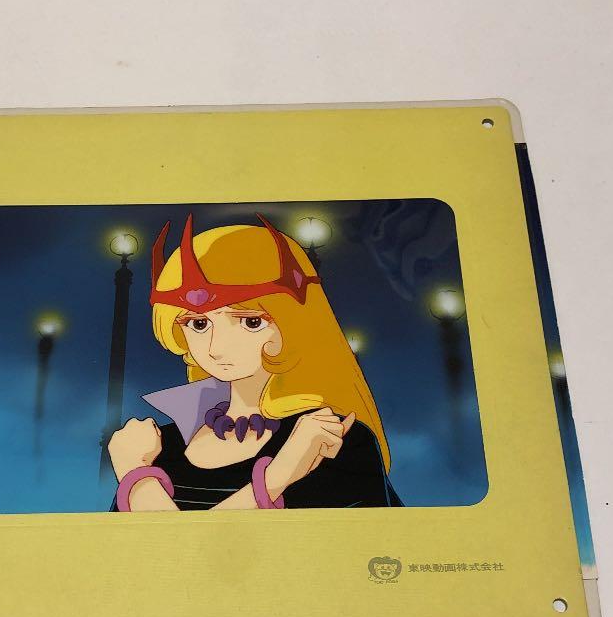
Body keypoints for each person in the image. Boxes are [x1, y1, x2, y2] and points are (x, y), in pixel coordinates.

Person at [108, 215, 402, 512]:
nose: (217, 347)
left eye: (251, 322)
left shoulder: (330, 438)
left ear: (294, 324)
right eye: (198, 324)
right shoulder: (161, 445)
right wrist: (277, 476)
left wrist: (136, 474)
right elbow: (138, 544)